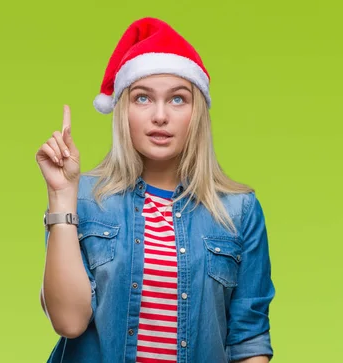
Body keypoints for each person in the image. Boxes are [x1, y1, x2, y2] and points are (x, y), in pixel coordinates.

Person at [35, 17, 275, 363]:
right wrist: (60, 196)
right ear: (123, 110)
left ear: (196, 114)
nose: (160, 116)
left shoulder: (239, 211)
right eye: (143, 98)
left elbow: (249, 340)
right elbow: (69, 322)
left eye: (178, 100)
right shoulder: (83, 200)